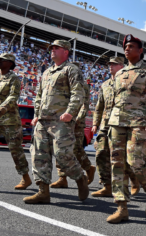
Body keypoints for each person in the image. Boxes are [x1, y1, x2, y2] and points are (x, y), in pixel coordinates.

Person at [107, 34, 146, 224]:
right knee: (117, 164)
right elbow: (114, 100)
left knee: (135, 161)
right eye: (126, 46)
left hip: (140, 122)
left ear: (140, 51)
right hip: (117, 122)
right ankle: (121, 207)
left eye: (132, 46)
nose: (127, 49)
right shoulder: (120, 74)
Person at [23, 40, 88, 204]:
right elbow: (39, 96)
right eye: (51, 48)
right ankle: (43, 192)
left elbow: (78, 93)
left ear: (65, 51)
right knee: (38, 156)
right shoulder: (46, 72)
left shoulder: (71, 70)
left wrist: (70, 112)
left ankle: (80, 178)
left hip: (61, 121)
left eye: (56, 48)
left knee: (62, 155)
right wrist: (36, 114)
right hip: (43, 121)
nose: (52, 51)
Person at [91, 56, 140, 198]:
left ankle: (134, 181)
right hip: (106, 124)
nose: (111, 66)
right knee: (100, 153)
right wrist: (95, 123)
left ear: (122, 66)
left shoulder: (128, 83)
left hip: (122, 124)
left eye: (114, 64)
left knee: (122, 157)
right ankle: (106, 185)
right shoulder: (105, 85)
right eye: (110, 64)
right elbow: (99, 107)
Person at [50, 62, 96, 189]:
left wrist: (77, 119)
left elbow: (84, 105)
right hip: (61, 121)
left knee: (76, 149)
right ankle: (62, 178)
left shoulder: (82, 85)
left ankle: (88, 167)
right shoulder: (62, 84)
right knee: (59, 148)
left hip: (76, 122)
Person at [0, 53, 32, 190]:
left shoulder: (13, 78)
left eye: (2, 60)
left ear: (10, 63)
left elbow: (13, 95)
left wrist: (3, 108)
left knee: (15, 150)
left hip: (9, 119)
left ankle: (25, 178)